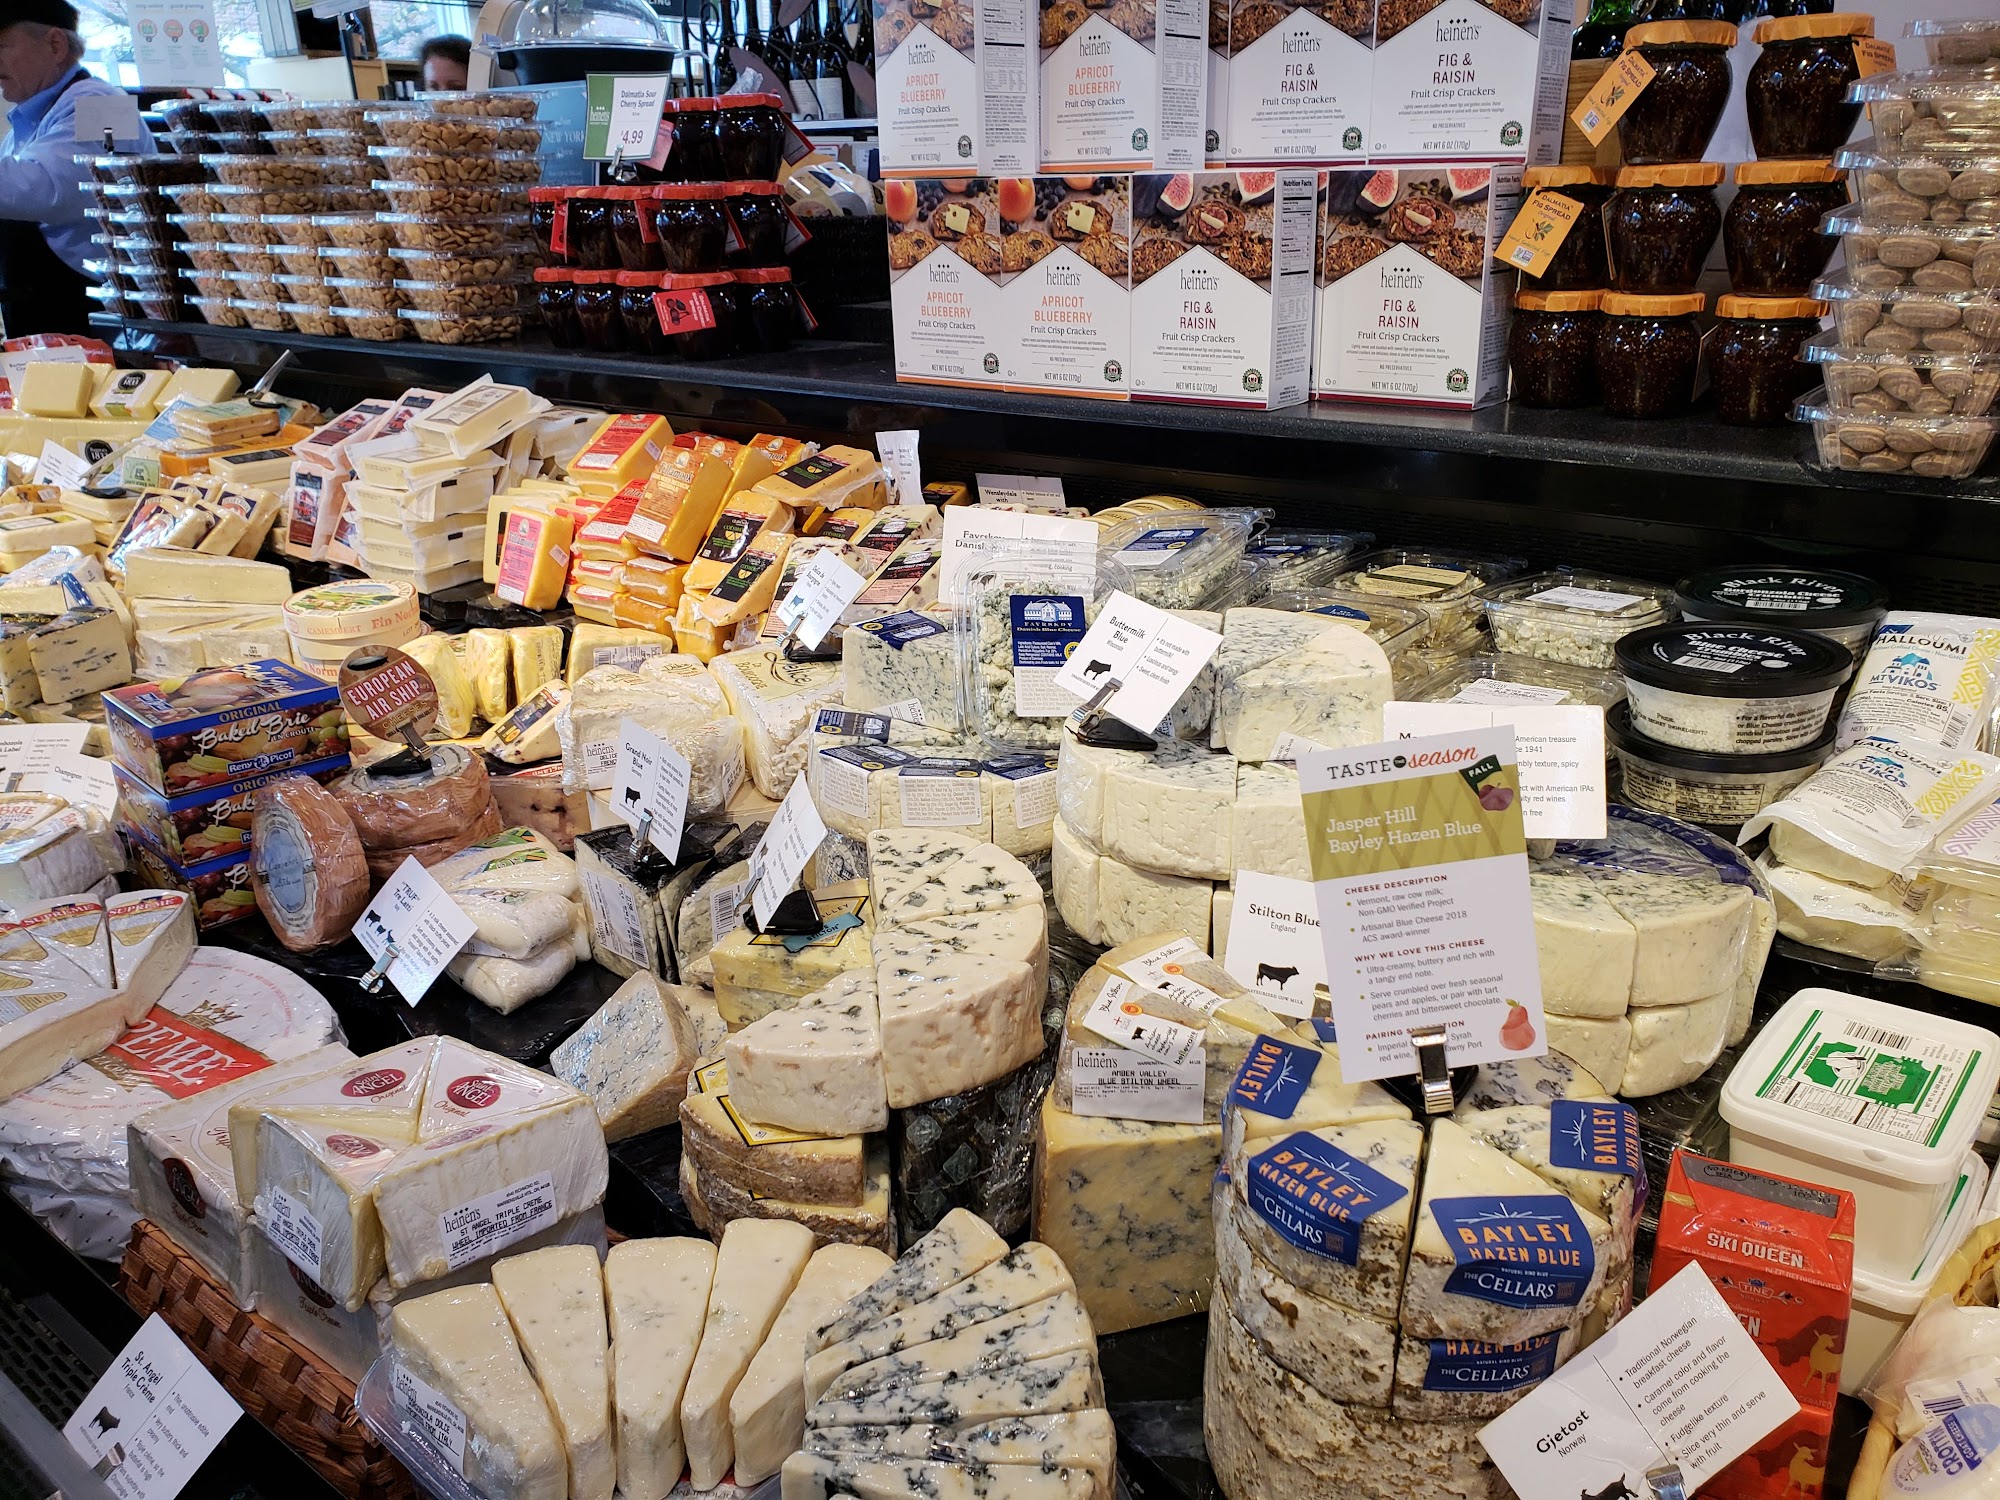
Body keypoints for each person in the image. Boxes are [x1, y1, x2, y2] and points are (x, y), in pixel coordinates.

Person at [0, 0, 150, 337]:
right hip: (46, 324)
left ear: (55, 45)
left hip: (104, 324)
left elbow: (49, 190)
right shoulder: (22, 131)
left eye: (1, 47)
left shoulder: (106, 104)